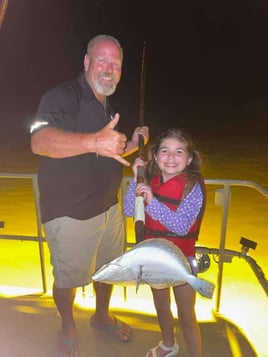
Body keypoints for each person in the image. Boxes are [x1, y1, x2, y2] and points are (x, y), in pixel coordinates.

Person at [30, 34, 149, 357]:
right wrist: (96, 141)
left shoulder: (109, 107)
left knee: (109, 269)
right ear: (86, 62)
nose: (109, 69)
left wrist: (133, 143)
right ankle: (68, 323)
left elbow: (110, 149)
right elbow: (40, 142)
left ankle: (101, 316)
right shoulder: (63, 96)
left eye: (116, 64)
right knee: (67, 279)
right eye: (102, 60)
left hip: (109, 209)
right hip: (70, 214)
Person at [123, 128, 206, 357]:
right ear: (156, 156)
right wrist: (136, 177)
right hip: (154, 256)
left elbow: (181, 226)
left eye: (179, 152)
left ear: (189, 159)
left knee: (187, 314)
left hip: (182, 259)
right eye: (165, 151)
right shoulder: (149, 179)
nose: (171, 157)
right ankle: (169, 344)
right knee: (161, 304)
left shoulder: (193, 187)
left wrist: (152, 202)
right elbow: (129, 209)